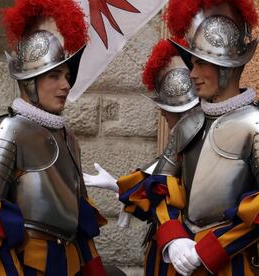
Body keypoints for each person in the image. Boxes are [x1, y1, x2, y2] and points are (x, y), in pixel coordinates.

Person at [131, 0, 259, 275]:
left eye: (200, 63)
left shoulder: (257, 123)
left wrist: (207, 249)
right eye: (192, 63)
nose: (192, 74)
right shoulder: (188, 124)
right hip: (175, 261)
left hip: (227, 264)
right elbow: (161, 187)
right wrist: (173, 237)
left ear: (226, 67)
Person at [0, 0, 107, 275]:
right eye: (55, 76)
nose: (65, 85)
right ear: (28, 82)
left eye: (67, 75)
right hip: (28, 266)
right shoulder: (8, 130)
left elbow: (80, 216)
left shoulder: (67, 136)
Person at [84, 38, 199, 275]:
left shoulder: (199, 146)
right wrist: (119, 188)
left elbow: (164, 195)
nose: (162, 113)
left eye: (167, 108)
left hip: (191, 253)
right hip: (166, 250)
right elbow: (153, 188)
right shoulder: (177, 147)